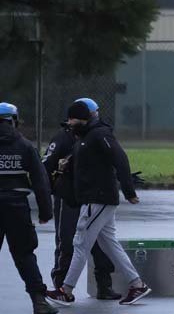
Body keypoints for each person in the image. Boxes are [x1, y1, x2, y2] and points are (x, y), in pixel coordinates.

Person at [45, 99, 151, 307]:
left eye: (72, 119)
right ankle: (137, 284)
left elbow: (119, 159)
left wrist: (129, 190)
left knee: (80, 243)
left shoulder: (99, 134)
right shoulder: (86, 137)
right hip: (97, 198)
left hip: (98, 198)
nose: (69, 122)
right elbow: (90, 162)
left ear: (83, 118)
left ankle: (65, 291)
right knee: (109, 243)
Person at [41, 99, 118, 300]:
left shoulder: (98, 135)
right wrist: (52, 190)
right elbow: (45, 167)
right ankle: (61, 286)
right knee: (66, 241)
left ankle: (104, 285)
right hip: (68, 198)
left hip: (92, 196)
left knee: (100, 243)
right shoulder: (62, 138)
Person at [0, 102, 58, 314]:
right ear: (14, 121)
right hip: (16, 207)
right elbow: (40, 181)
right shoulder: (24, 146)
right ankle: (39, 302)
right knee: (24, 255)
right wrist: (45, 212)